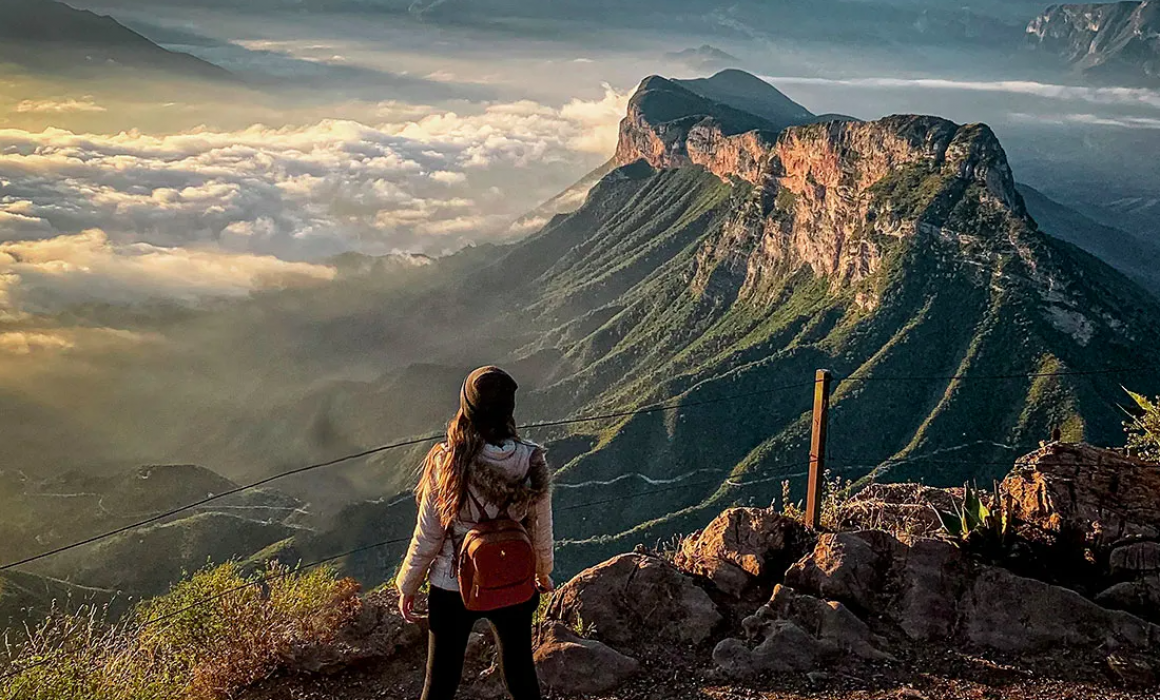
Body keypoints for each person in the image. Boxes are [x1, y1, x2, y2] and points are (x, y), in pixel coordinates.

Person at [396, 366, 554, 700]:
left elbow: (429, 535)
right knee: (521, 677)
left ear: (466, 408)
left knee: (440, 683)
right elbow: (540, 528)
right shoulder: (530, 459)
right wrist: (542, 573)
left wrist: (408, 585)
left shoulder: (447, 461)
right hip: (513, 577)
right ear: (509, 410)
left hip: (452, 585)